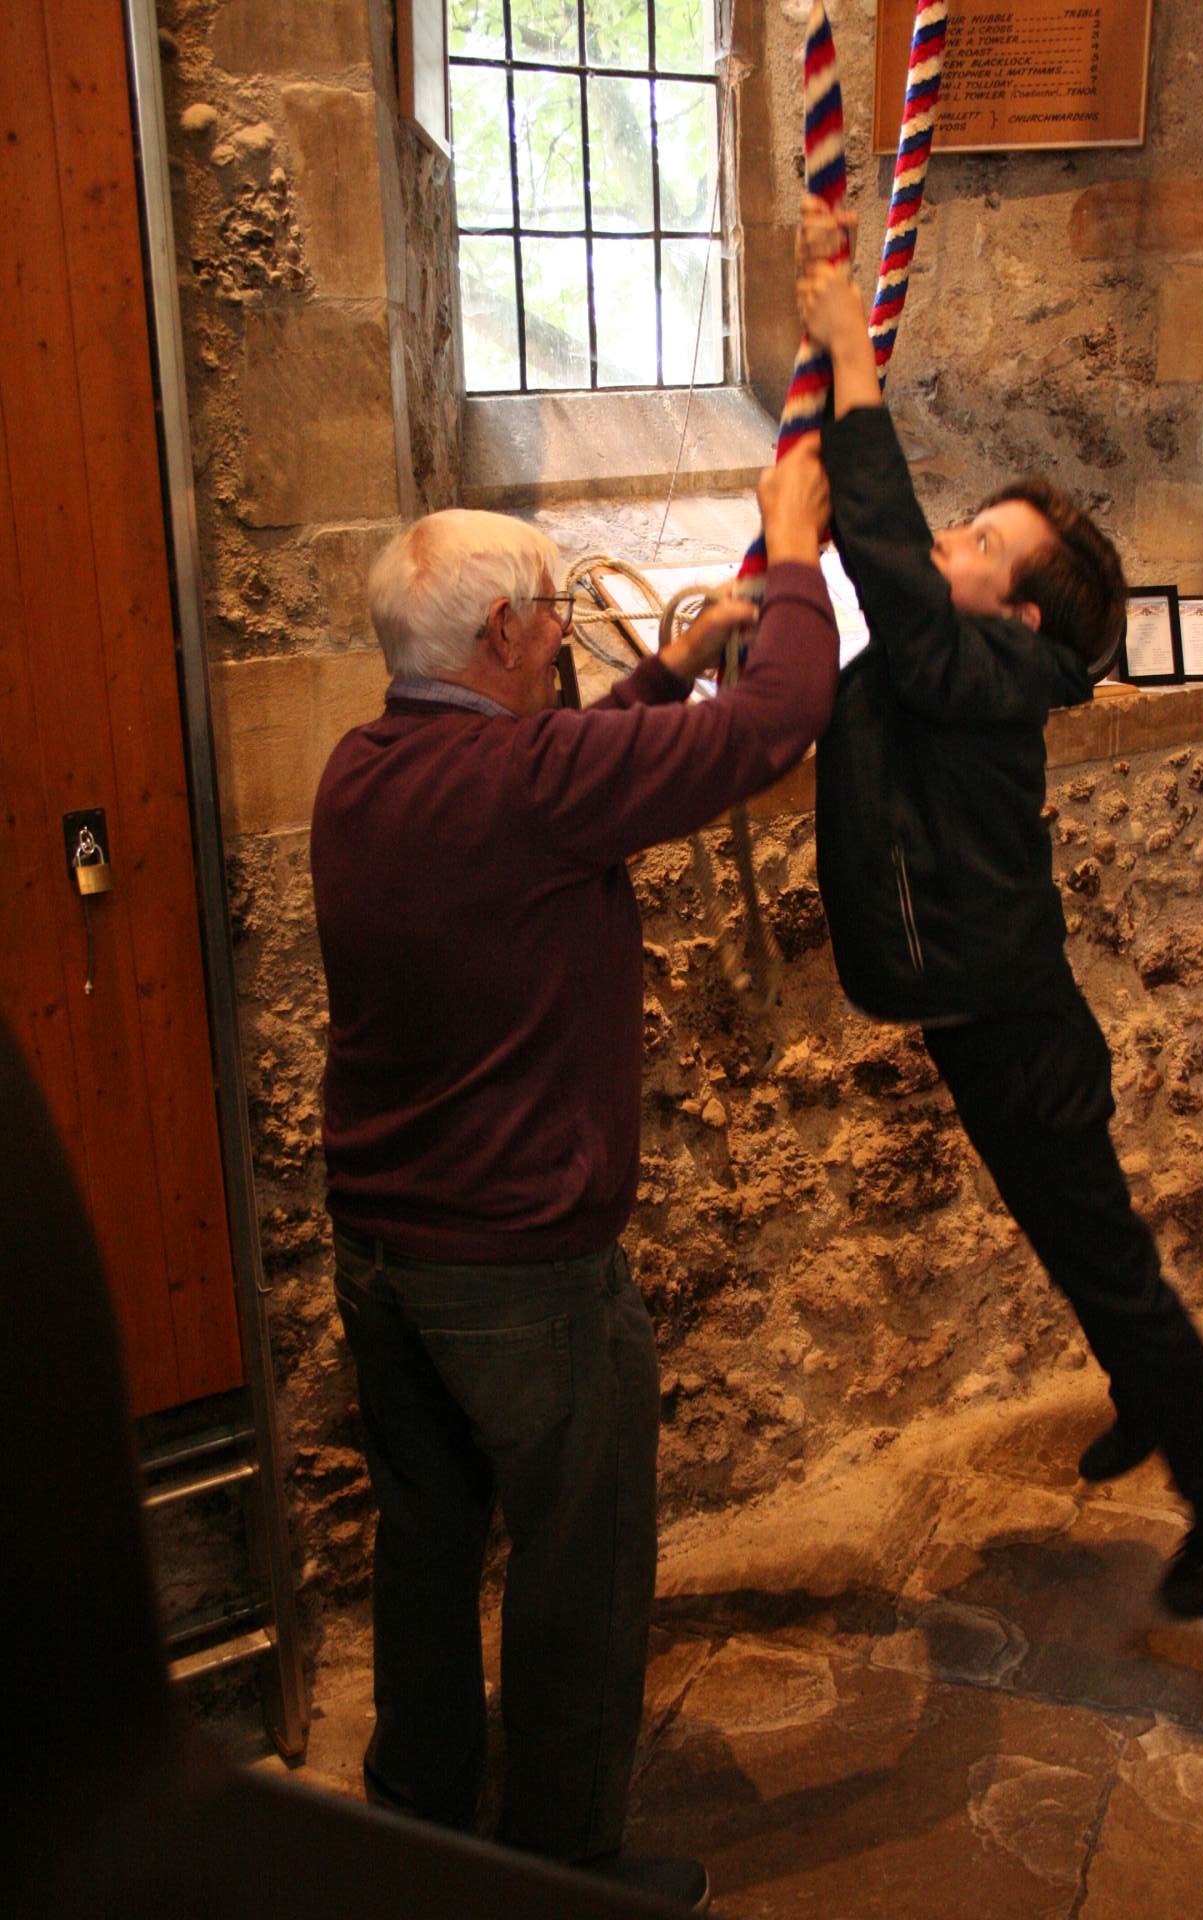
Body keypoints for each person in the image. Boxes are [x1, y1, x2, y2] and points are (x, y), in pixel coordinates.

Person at [309, 449, 838, 1910]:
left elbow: (553, 785)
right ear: (500, 634)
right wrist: (797, 551)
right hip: (520, 1263)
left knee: (427, 1539)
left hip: (384, 1247)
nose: (562, 631)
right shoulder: (529, 783)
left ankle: (417, 1806)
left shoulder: (363, 770)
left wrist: (669, 665)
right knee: (579, 1559)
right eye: (550, 611)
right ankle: (565, 1861)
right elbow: (781, 721)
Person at [796, 196, 1203, 1620]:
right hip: (994, 1017)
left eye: (973, 543)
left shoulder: (989, 673)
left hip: (1017, 1030)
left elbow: (891, 574)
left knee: (1105, 1261)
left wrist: (853, 365)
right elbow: (885, 605)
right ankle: (1147, 1393)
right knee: (1073, 1237)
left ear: (1016, 621)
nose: (945, 544)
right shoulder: (967, 667)